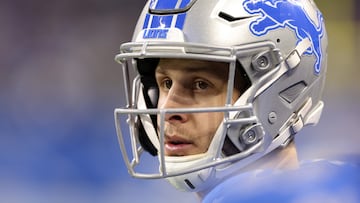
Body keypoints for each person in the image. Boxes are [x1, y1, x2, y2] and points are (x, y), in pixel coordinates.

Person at [113, 0, 359, 202]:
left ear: (277, 94)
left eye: (201, 85)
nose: (167, 109)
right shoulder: (340, 179)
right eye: (165, 83)